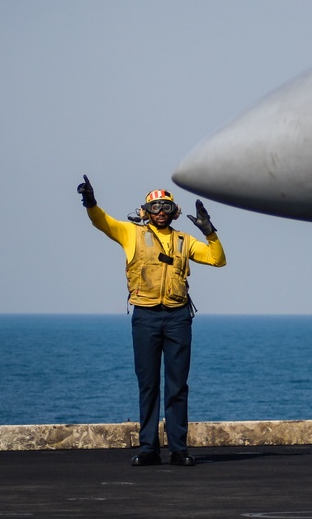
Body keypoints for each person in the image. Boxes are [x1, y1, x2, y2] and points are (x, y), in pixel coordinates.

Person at [77, 175, 226, 466]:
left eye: (166, 207)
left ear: (174, 212)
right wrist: (90, 202)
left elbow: (217, 259)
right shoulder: (131, 233)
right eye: (155, 207)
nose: (161, 212)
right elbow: (102, 222)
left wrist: (210, 232)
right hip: (145, 316)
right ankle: (148, 449)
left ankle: (179, 449)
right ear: (145, 211)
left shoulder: (184, 241)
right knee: (148, 385)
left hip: (178, 318)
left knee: (177, 385)